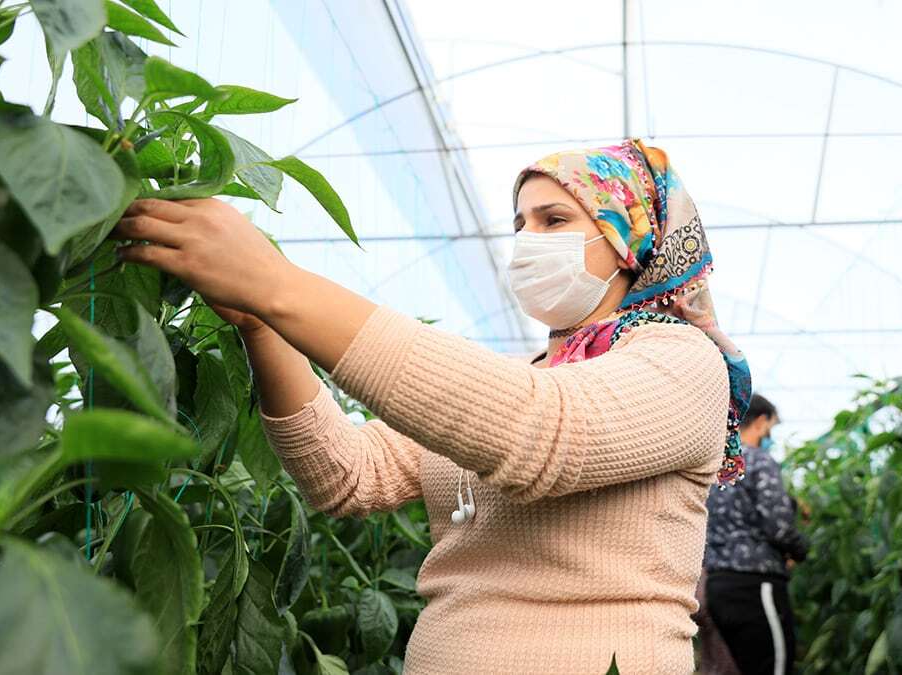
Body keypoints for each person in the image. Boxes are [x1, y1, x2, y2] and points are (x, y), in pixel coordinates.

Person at [109, 138, 752, 674]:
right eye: (520, 224)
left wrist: (279, 286)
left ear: (629, 235)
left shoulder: (683, 361)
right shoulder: (518, 377)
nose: (527, 240)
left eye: (554, 221)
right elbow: (347, 474)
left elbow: (547, 433)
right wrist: (261, 324)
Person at [699, 395, 807, 675]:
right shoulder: (759, 461)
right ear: (760, 422)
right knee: (774, 666)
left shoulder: (715, 466)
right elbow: (778, 527)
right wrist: (801, 550)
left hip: (717, 586)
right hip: (755, 585)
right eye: (771, 426)